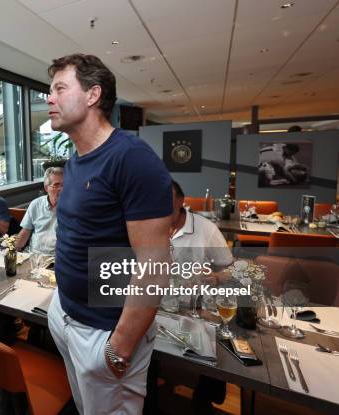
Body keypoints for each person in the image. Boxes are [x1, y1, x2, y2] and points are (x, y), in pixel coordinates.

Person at [46, 54, 173, 415]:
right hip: (66, 315)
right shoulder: (74, 160)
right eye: (49, 90)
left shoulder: (132, 159)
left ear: (92, 95)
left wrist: (121, 343)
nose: (49, 98)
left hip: (104, 331)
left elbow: (154, 265)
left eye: (59, 88)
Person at [169, 180, 233, 415]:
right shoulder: (149, 226)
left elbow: (231, 269)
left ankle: (204, 396)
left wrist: (215, 278)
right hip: (159, 303)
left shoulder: (205, 229)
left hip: (195, 304)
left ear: (180, 201)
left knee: (210, 341)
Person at [15, 167, 63, 253]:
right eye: (56, 185)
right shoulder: (36, 204)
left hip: (56, 259)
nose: (61, 189)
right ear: (46, 188)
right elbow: (25, 231)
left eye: (64, 185)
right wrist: (12, 251)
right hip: (33, 255)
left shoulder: (72, 208)